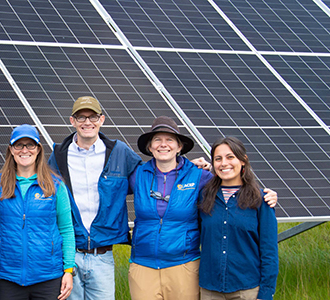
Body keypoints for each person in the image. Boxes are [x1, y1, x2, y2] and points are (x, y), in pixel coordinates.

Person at [48, 96, 211, 300]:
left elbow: (227, 186)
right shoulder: (59, 155)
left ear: (102, 119)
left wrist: (191, 167)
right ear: (72, 121)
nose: (87, 122)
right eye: (81, 117)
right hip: (74, 251)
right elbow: (43, 189)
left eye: (93, 117)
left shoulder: (120, 152)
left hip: (108, 254)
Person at [128, 116, 277, 300]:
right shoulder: (137, 175)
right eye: (157, 139)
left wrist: (266, 194)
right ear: (149, 146)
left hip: (184, 264)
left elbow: (229, 178)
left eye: (170, 140)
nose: (163, 145)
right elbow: (109, 193)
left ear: (179, 146)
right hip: (144, 264)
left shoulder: (199, 177)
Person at [0, 124, 75, 300]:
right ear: (11, 149)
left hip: (48, 277)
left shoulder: (55, 185)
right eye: (19, 145)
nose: (24, 150)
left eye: (30, 145)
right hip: (9, 278)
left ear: (38, 149)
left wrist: (68, 270)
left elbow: (66, 229)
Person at [198, 137, 278, 300]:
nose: (224, 163)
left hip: (246, 290)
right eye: (218, 159)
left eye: (230, 157)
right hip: (210, 290)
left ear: (243, 160)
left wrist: (266, 293)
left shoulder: (261, 200)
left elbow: (269, 250)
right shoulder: (203, 197)